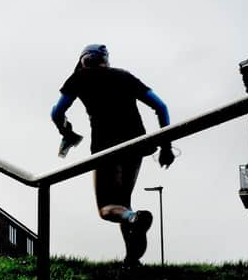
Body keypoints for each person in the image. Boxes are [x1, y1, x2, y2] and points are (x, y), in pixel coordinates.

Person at [51, 44, 174, 267]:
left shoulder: (79, 78)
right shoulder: (125, 76)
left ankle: (134, 219)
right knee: (123, 202)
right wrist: (166, 147)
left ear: (83, 61)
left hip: (106, 148)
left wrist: (66, 131)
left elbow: (56, 112)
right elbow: (161, 107)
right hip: (136, 145)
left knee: (107, 209)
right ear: (106, 60)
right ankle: (132, 259)